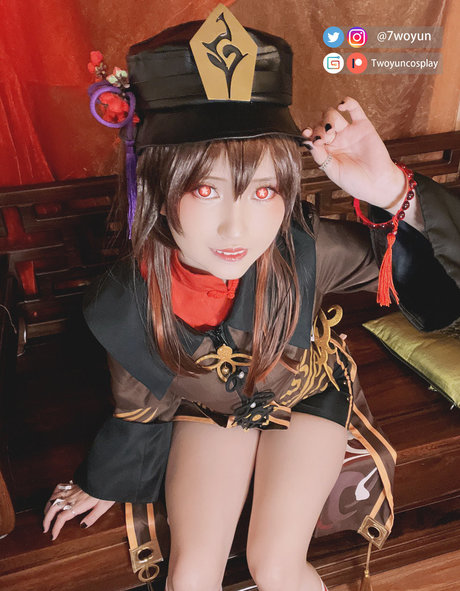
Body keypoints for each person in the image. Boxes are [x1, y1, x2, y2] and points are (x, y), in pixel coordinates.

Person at [42, 6, 460, 591]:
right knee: (190, 578)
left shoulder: (303, 247)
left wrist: (394, 191)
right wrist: (102, 480)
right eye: (204, 188)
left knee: (277, 566)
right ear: (155, 187)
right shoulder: (124, 300)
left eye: (264, 190)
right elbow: (138, 402)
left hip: (305, 394)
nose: (236, 228)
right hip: (210, 411)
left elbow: (434, 280)